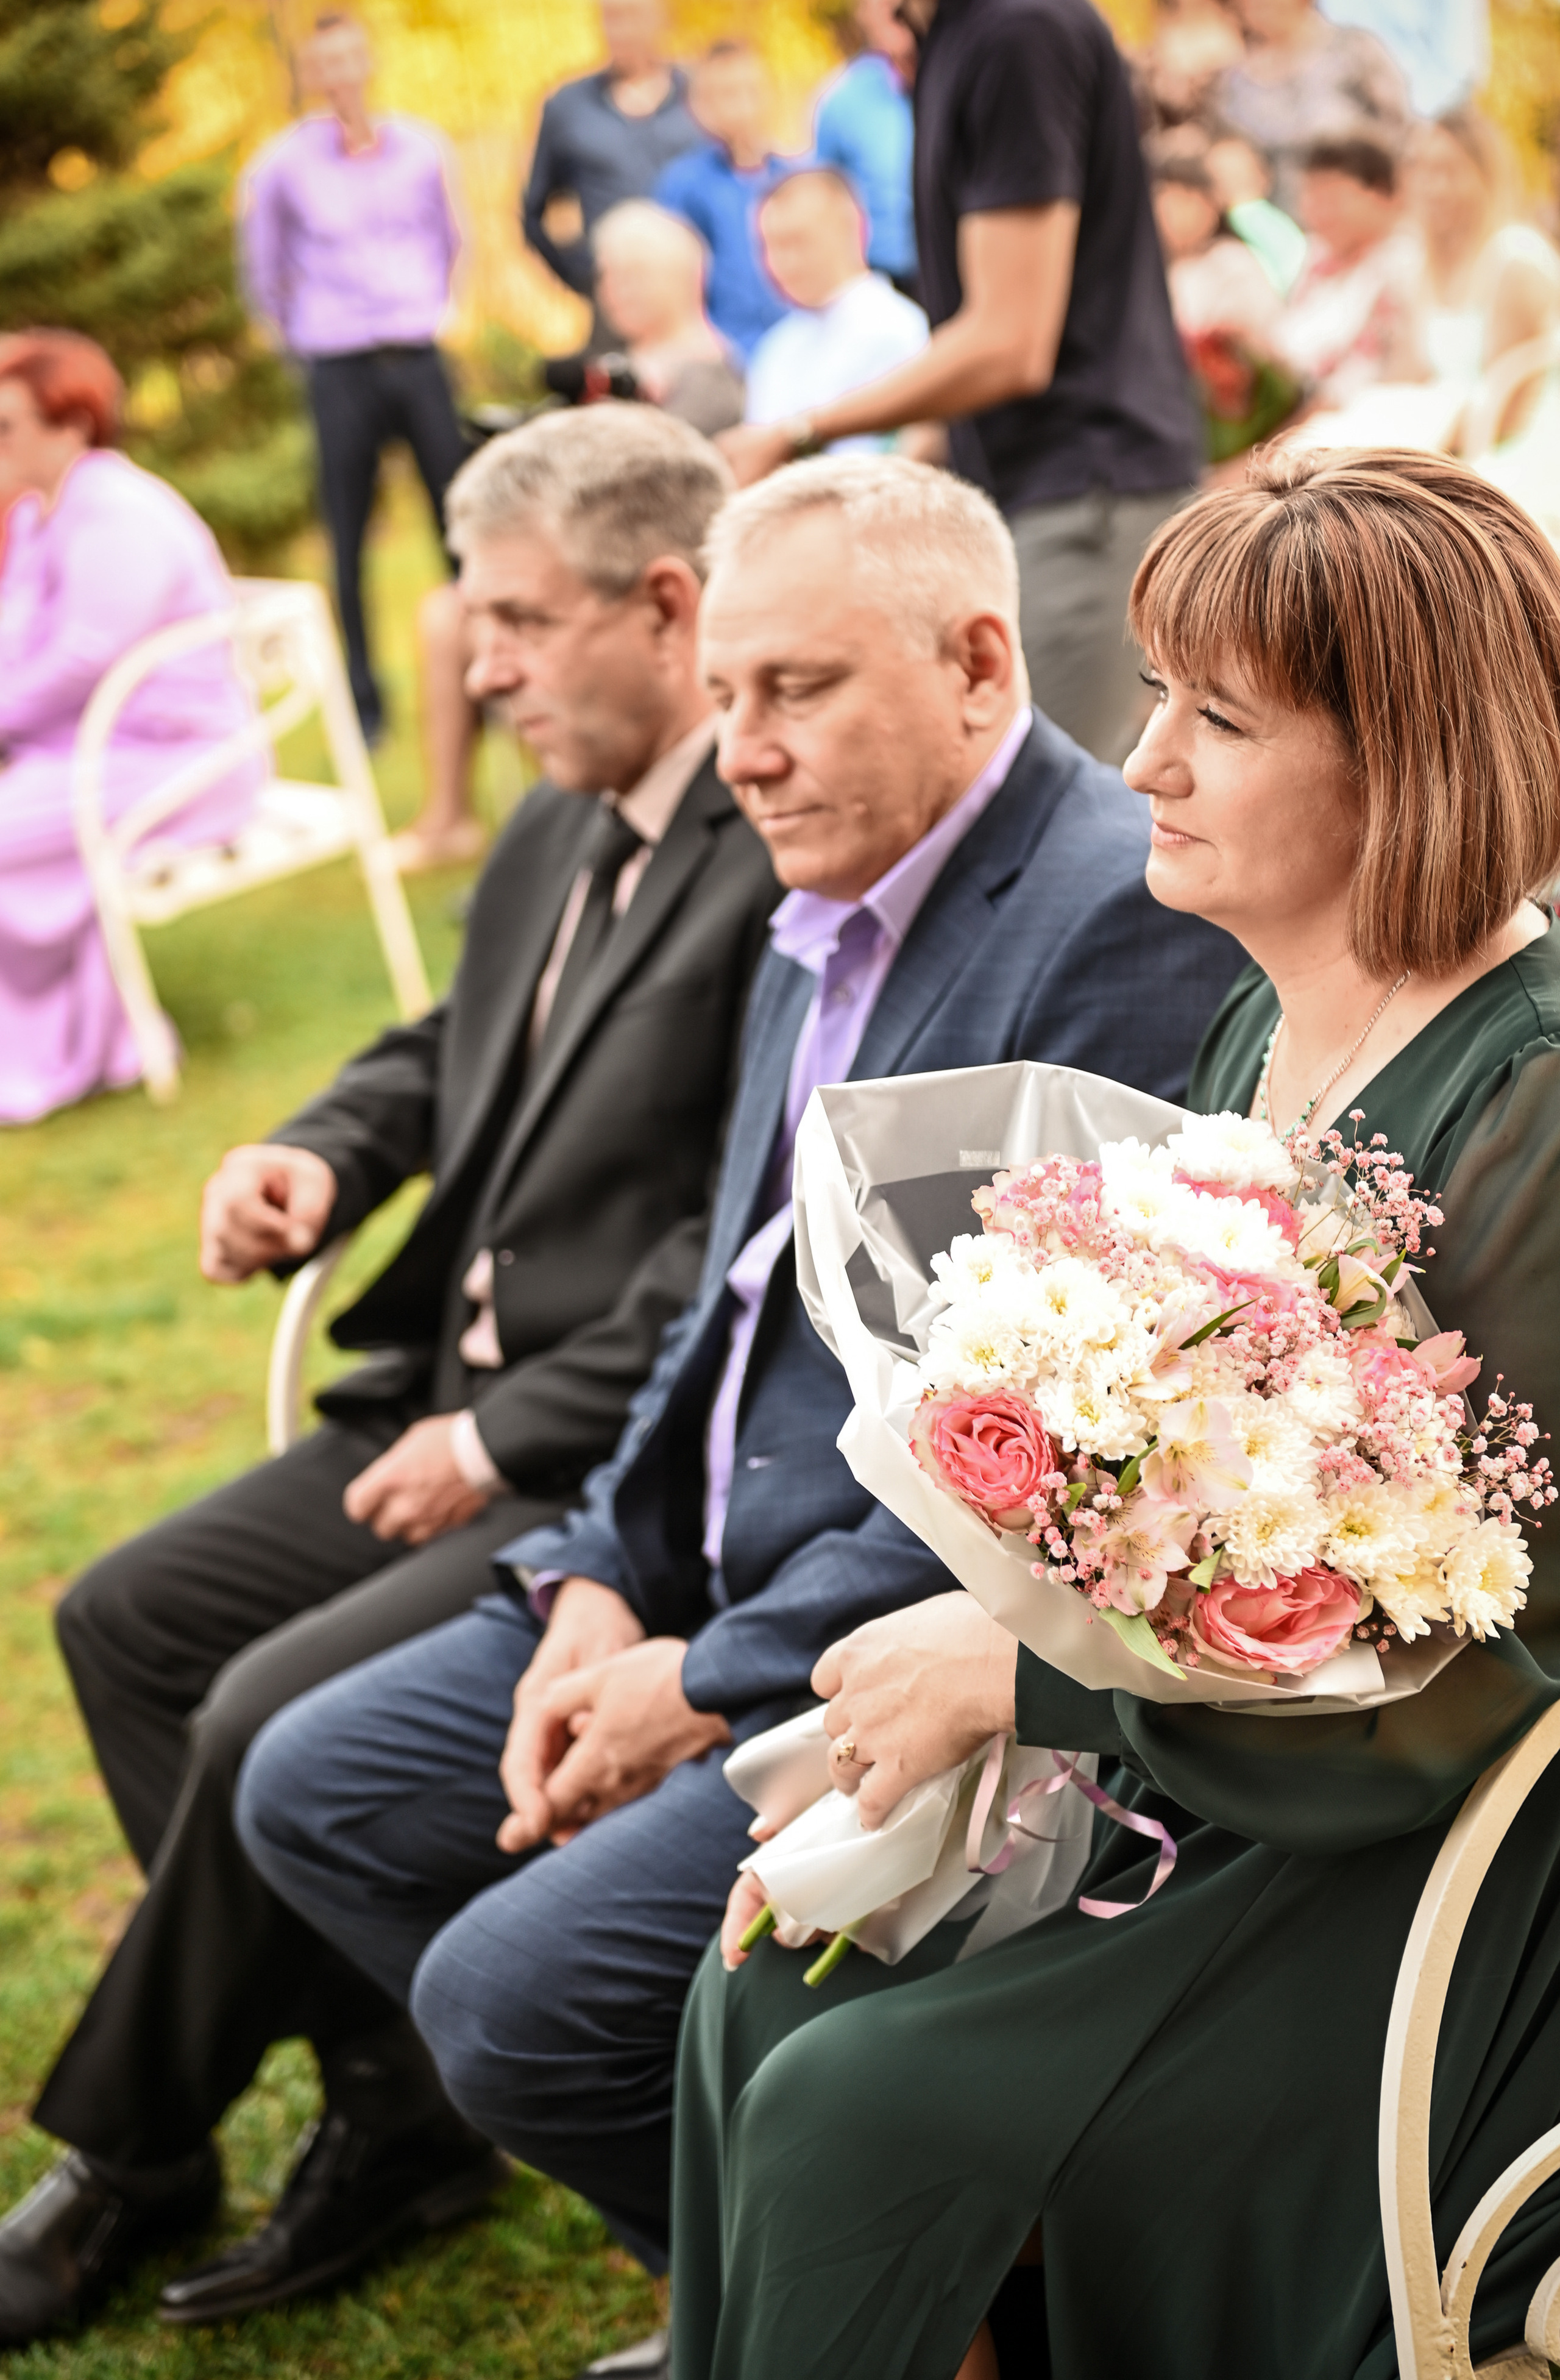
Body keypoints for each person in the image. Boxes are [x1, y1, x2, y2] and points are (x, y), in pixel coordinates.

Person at [235, 456, 1246, 2379]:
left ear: (971, 660)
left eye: (795, 690)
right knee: (319, 1785)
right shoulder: (833, 892)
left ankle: (902, 2306)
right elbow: (724, 1290)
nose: (742, 754)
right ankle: (789, 2279)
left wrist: (707, 1672)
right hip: (696, 1570)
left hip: (882, 1634)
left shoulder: (1112, 913)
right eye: (726, 697)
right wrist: (591, 1572)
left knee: (512, 1997)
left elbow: (1027, 1451)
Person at [670, 446, 1560, 2380]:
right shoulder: (1255, 1022)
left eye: (1215, 716)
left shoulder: (1532, 1105)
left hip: (1428, 1864)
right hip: (1225, 1776)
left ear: (1400, 759)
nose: (1140, 757)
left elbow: (1498, 1641)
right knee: (752, 1976)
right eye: (1155, 693)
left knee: (858, 2108)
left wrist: (1034, 1683)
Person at [0, 405, 782, 2349]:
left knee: (269, 1712)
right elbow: (446, 1040)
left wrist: (505, 1428)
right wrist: (326, 1151)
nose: (477, 660)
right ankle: (389, 2099)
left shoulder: (779, 840)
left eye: (515, 617)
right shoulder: (553, 808)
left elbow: (737, 1239)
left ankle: (132, 2146)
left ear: (666, 603)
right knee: (126, 1617)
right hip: (430, 1393)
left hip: (597, 1449)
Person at [718, 0, 1204, 770]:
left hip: (1088, 496)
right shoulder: (961, 40)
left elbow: (1009, 344)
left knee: (1036, 819)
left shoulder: (1019, 30)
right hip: (1031, 495)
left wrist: (797, 433)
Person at [0, 330, 260, 1125]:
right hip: (97, 751)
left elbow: (81, 661)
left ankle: (57, 1053)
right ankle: (78, 1043)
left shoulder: (117, 512)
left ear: (70, 423)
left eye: (5, 428)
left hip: (184, 763)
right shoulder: (44, 512)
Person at [240, 10, 467, 751]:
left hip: (418, 350)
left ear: (369, 62)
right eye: (324, 63)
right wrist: (301, 344)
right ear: (311, 74)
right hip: (337, 363)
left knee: (460, 522)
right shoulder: (281, 166)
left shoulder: (423, 149)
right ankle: (366, 703)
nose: (340, 75)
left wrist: (432, 309)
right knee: (347, 537)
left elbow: (450, 240)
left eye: (350, 58)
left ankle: (484, 677)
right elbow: (263, 271)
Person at [522, 0, 702, 308]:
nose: (622, 31)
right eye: (612, 18)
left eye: (635, 16)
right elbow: (536, 214)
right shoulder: (568, 108)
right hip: (617, 305)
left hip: (700, 299)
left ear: (664, 18)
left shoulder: (701, 92)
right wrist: (584, 278)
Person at [744, 169, 929, 453]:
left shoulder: (900, 331)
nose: (783, 262)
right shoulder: (776, 346)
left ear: (855, 229)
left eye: (797, 242)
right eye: (769, 246)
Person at [1408, 107, 1560, 432]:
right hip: (1451, 436)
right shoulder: (1424, 263)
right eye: (1422, 170)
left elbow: (1507, 415)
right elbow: (1412, 373)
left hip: (1514, 445)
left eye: (1449, 170)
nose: (1434, 188)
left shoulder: (1515, 259)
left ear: (1486, 174)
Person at [1152, 152, 1296, 458]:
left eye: (1185, 200)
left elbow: (1265, 348)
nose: (1172, 213)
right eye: (1163, 201)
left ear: (1212, 205)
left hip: (1247, 421)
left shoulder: (1233, 261)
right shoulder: (1153, 271)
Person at [652, 42, 788, 363]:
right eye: (728, 95)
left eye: (752, 91)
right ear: (700, 106)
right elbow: (670, 281)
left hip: (791, 348)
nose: (743, 106)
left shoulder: (794, 177)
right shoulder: (684, 184)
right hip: (720, 355)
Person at [1215, 0, 1409, 218]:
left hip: (1362, 217)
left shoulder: (1353, 50)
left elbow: (1401, 131)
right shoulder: (1236, 83)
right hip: (1279, 228)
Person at [1273, 135, 1427, 410]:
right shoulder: (1317, 258)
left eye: (1330, 198)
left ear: (1380, 195)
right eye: (1309, 196)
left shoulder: (1406, 267)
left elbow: (1362, 386)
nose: (1316, 211)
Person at [592, 202, 746, 435]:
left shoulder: (709, 375)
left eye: (633, 275)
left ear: (681, 277)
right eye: (607, 276)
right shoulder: (616, 364)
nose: (615, 291)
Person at [812, 0, 920, 294]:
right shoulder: (841, 99)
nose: (894, 10)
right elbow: (825, 201)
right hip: (885, 278)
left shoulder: (971, 71)